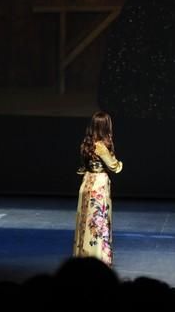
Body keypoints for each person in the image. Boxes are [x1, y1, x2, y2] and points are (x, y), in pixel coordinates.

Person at [73, 111, 124, 266]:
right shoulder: (101, 146)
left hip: (87, 182)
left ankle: (82, 255)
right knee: (98, 221)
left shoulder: (86, 145)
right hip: (99, 185)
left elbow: (82, 168)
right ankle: (98, 259)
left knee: (84, 220)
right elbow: (114, 166)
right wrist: (120, 164)